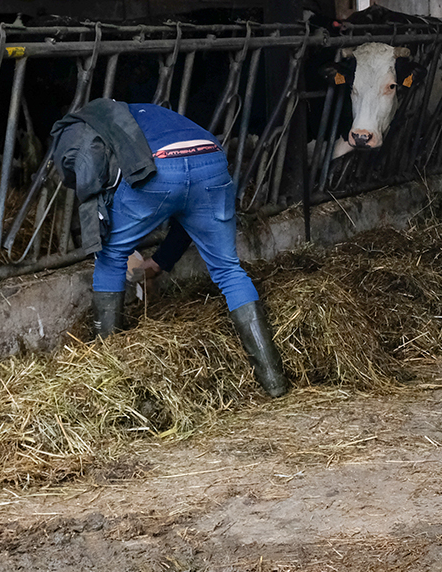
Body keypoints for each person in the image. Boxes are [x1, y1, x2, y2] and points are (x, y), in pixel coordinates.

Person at [48, 98, 289, 398]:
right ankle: (275, 383)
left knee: (110, 258)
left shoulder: (83, 123)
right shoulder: (149, 113)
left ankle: (103, 375)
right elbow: (188, 209)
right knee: (228, 270)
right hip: (211, 160)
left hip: (159, 168)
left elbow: (87, 167)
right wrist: (160, 262)